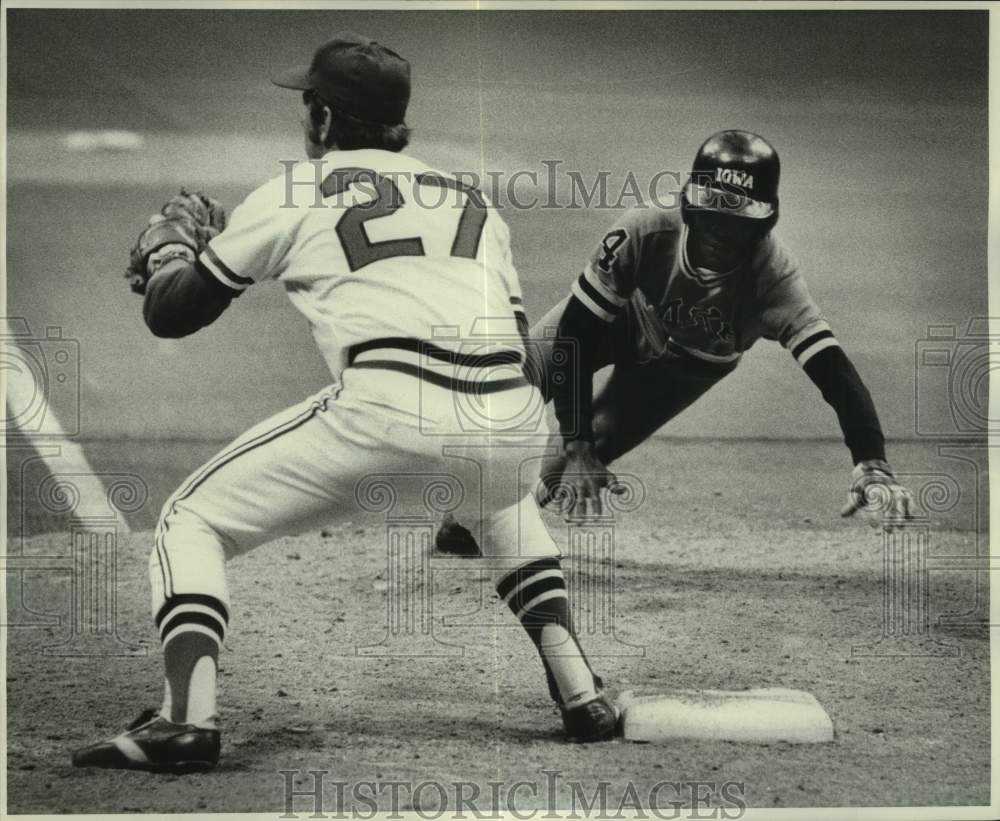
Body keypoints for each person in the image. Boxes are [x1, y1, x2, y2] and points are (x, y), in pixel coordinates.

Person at [72, 32, 616, 774]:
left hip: (385, 418)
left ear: (324, 121)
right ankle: (581, 689)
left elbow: (170, 313)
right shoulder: (476, 204)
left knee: (189, 519)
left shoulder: (294, 191)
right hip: (516, 425)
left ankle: (187, 718)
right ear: (400, 123)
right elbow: (521, 346)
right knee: (490, 485)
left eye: (308, 104)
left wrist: (173, 252)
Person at [437, 129, 913, 554]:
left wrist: (871, 460)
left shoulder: (774, 278)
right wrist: (578, 443)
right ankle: (469, 498)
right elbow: (575, 337)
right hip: (623, 316)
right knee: (511, 378)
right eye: (712, 214)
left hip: (687, 368)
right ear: (689, 201)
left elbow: (836, 375)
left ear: (764, 222)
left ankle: (496, 516)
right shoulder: (645, 228)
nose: (720, 233)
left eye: (738, 220)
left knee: (577, 454)